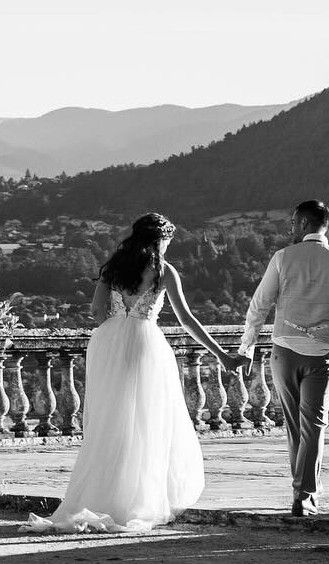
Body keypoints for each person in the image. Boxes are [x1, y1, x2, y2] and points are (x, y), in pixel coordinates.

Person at [29, 213, 246, 533]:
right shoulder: (163, 271)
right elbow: (187, 319)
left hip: (108, 344)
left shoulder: (114, 268)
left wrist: (117, 329)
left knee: (110, 421)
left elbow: (96, 311)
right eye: (167, 242)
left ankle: (101, 493)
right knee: (146, 422)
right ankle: (135, 497)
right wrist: (222, 355)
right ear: (160, 241)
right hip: (145, 343)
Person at [238, 200, 329, 517]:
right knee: (314, 424)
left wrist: (247, 347)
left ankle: (302, 489)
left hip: (284, 352)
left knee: (294, 425)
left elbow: (259, 305)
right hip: (321, 354)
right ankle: (305, 495)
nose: (290, 228)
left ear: (302, 223)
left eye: (292, 223)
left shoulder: (283, 258)